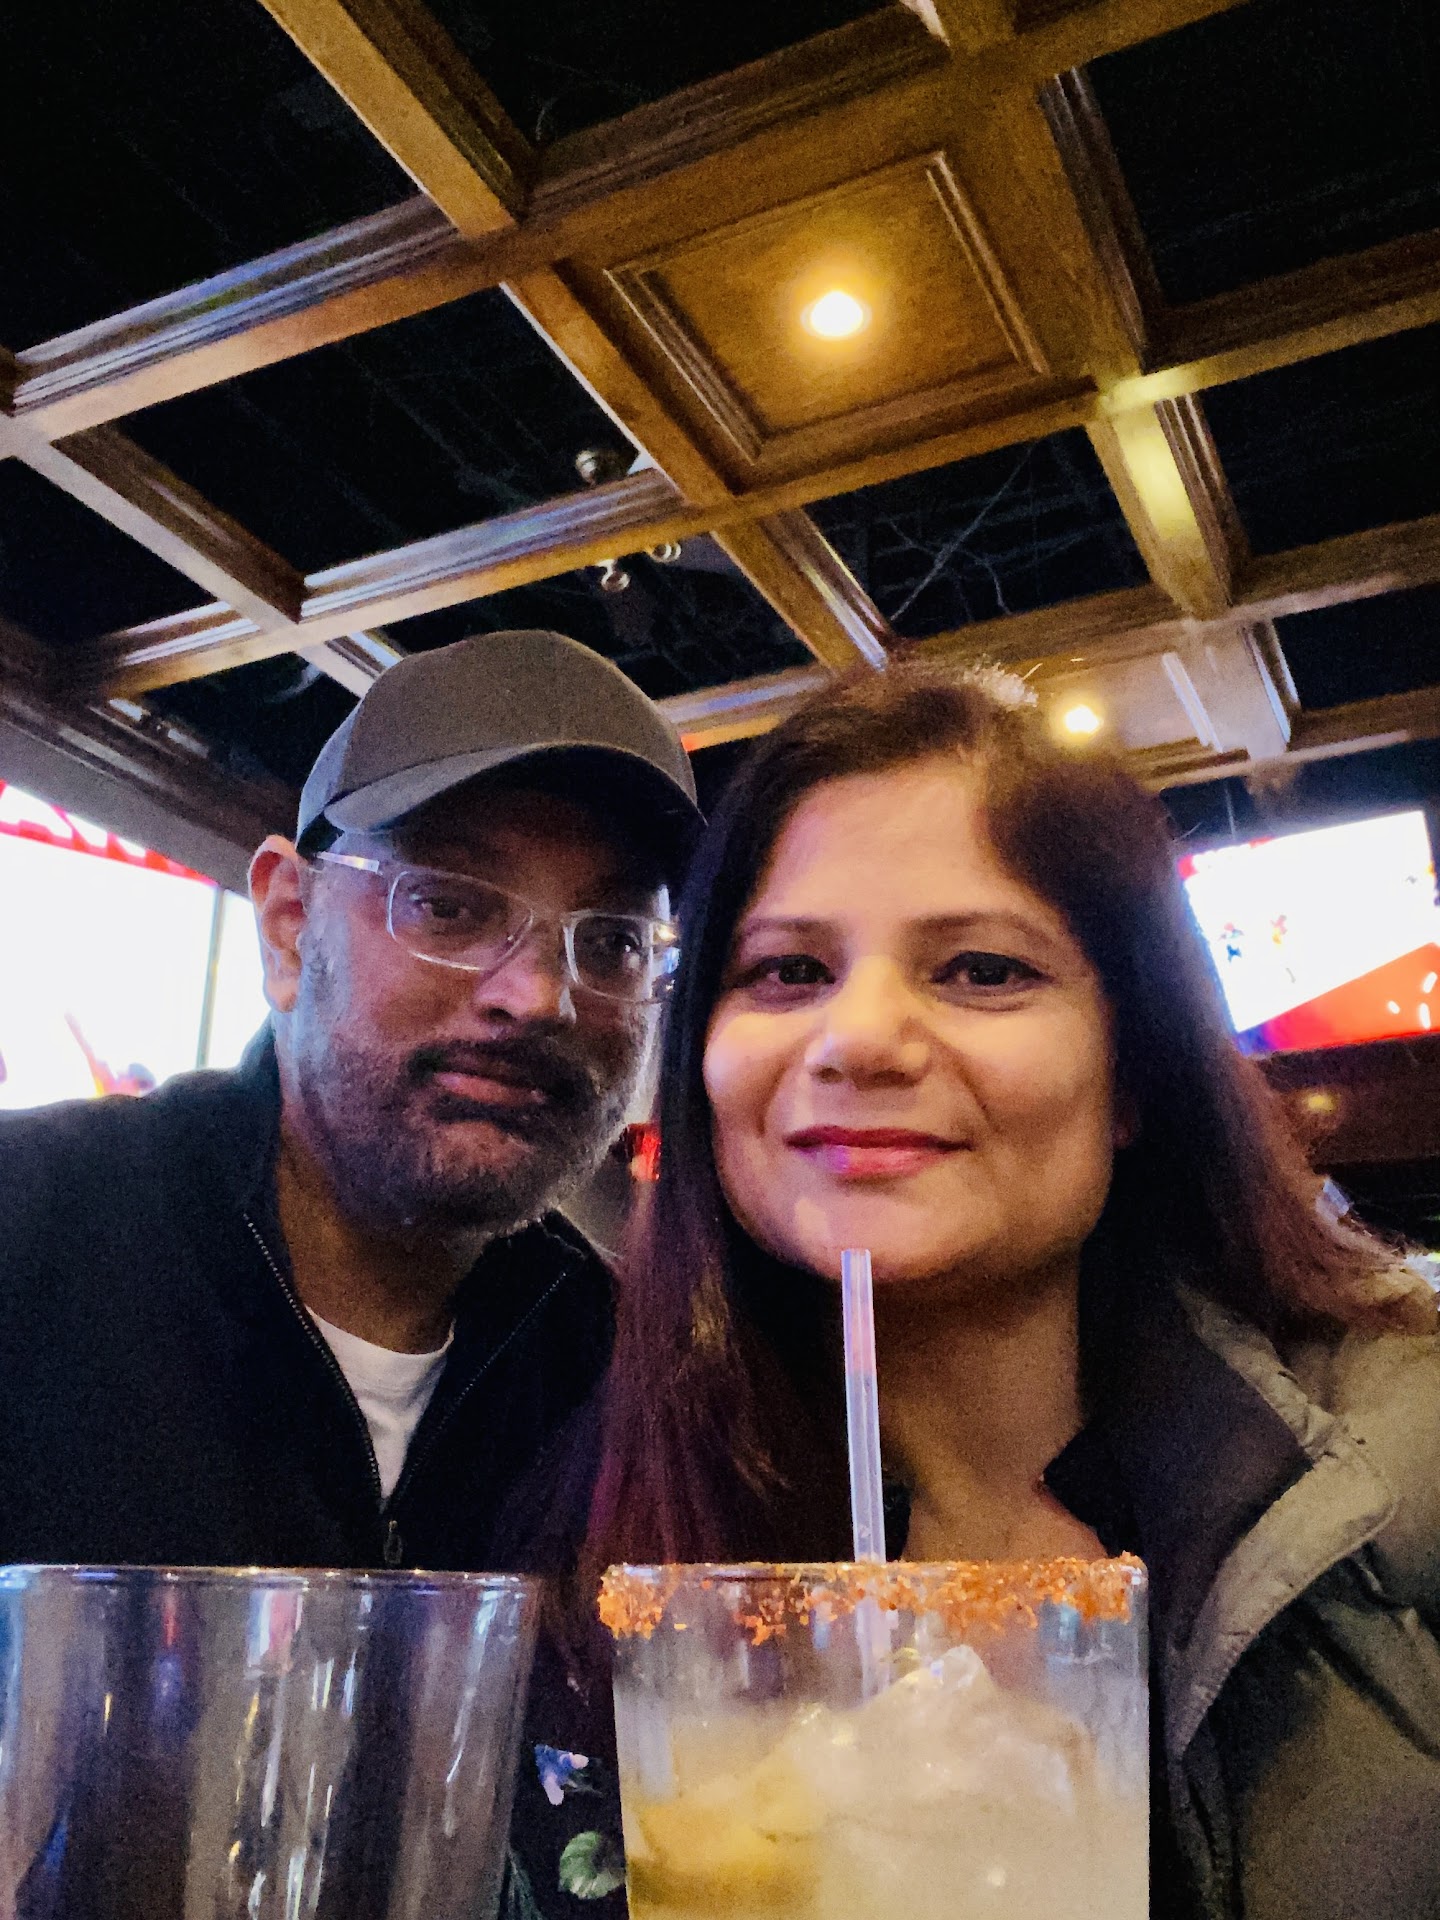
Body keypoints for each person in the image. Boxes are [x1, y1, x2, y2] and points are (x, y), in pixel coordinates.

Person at [510, 662, 1440, 1920]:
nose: (858, 1039)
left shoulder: (1401, 1482)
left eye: (984, 969)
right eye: (787, 971)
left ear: (1131, 1072)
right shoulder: (584, 1540)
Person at [0, 628, 699, 1578]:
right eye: (447, 904)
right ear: (290, 925)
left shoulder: (623, 1382)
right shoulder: (31, 1232)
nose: (539, 996)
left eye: (615, 940)